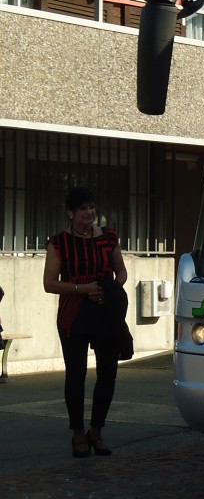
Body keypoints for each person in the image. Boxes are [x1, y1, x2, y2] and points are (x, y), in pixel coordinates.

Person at [43, 187, 128, 458]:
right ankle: (78, 433)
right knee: (76, 374)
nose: (89, 212)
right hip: (73, 313)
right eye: (82, 209)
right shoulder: (58, 243)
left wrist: (110, 289)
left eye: (91, 206)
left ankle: (97, 431)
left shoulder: (108, 237)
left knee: (107, 373)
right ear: (70, 213)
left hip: (105, 312)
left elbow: (121, 271)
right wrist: (83, 289)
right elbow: (49, 284)